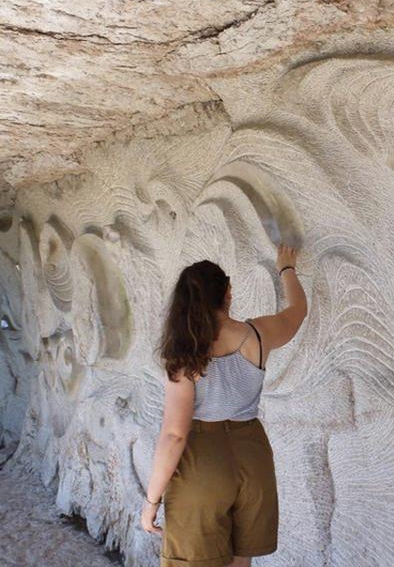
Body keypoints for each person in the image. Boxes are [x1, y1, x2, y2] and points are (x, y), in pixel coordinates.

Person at [140, 243, 307, 567]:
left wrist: (151, 502)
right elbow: (298, 311)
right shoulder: (258, 334)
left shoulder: (185, 354)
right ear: (228, 292)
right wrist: (287, 269)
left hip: (203, 463)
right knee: (239, 558)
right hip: (253, 457)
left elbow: (175, 435)